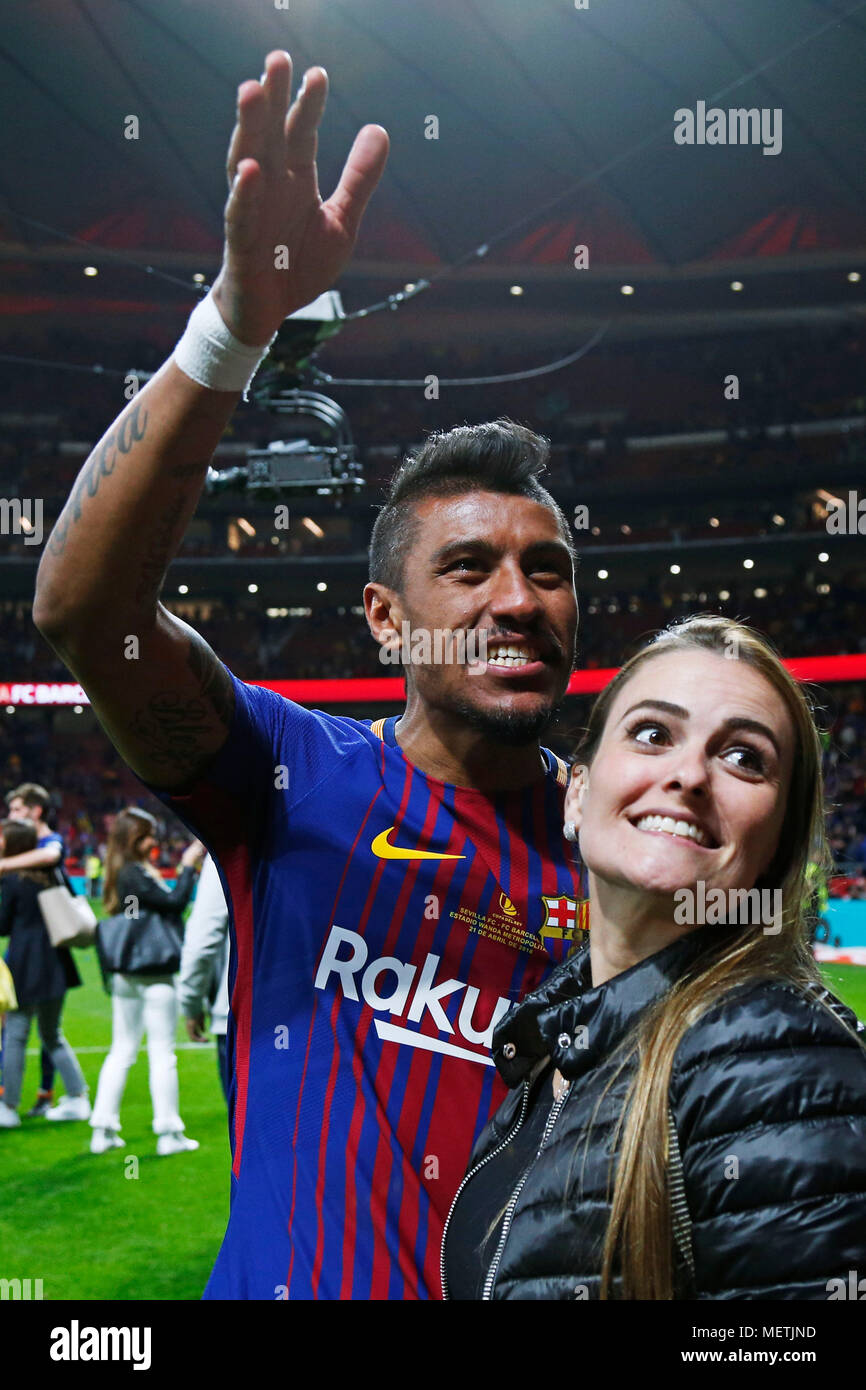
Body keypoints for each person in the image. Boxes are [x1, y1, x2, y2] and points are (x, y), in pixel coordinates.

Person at [32, 50, 584, 1298]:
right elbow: (82, 608)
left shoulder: (618, 842)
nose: (516, 598)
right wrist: (236, 324)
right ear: (384, 619)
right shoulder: (285, 775)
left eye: (546, 569)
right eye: (470, 568)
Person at [442, 616, 866, 1300]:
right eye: (652, 734)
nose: (689, 774)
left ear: (778, 848)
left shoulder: (777, 1061)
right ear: (577, 793)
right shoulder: (556, 1045)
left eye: (744, 758)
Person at [89, 808, 205, 1156]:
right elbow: (174, 903)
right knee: (161, 1053)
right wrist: (187, 866)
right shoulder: (133, 874)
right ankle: (168, 1132)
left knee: (122, 1049)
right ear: (133, 839)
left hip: (128, 974)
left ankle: (103, 1129)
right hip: (153, 972)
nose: (155, 841)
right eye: (148, 835)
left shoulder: (123, 872)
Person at [0, 818, 89, 1129]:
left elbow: (3, 924)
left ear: (12, 844)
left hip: (24, 963)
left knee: (15, 1035)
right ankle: (78, 1097)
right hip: (56, 962)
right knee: (52, 1034)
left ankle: (8, 1107)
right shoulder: (51, 875)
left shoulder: (10, 880)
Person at [1, 783, 69, 1118]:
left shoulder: (47, 844)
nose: (11, 816)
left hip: (34, 948)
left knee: (22, 1030)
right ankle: (63, 1095)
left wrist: (4, 865)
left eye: (16, 810)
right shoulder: (28, 861)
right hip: (47, 950)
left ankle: (28, 1097)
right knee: (48, 1031)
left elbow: (51, 855)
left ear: (34, 810)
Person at [178, 852, 230, 1103]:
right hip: (320, 1015)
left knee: (251, 1136)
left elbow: (202, 942)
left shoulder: (229, 850)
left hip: (242, 1017)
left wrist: (191, 1005)